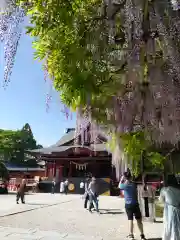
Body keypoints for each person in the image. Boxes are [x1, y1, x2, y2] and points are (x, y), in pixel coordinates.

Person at [119, 172, 146, 240]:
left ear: (125, 177)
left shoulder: (124, 185)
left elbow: (119, 186)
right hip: (135, 204)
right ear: (131, 177)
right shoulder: (134, 184)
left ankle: (131, 235)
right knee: (139, 220)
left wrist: (122, 179)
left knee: (130, 219)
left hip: (128, 205)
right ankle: (142, 235)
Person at [159, 174, 180, 240]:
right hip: (178, 210)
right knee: (176, 226)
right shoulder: (178, 190)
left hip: (168, 210)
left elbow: (161, 200)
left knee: (168, 225)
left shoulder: (164, 190)